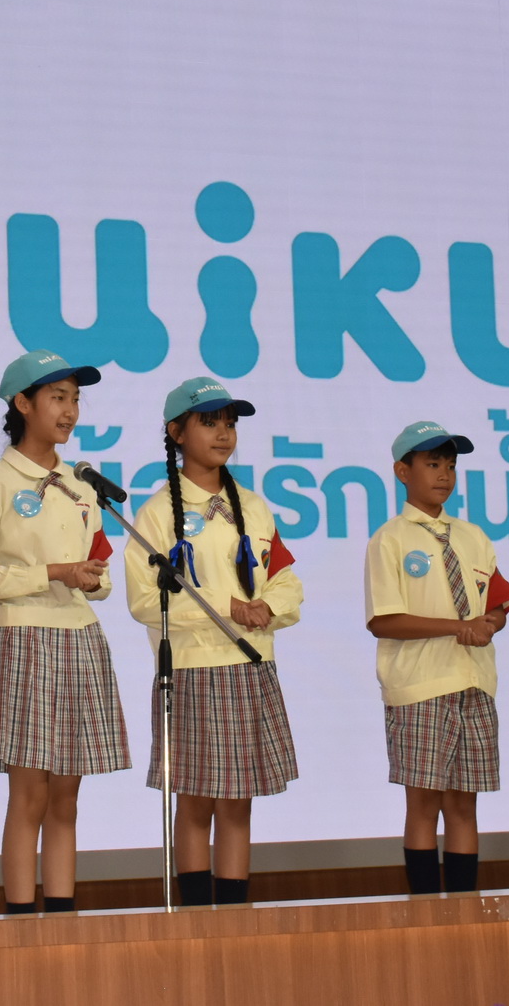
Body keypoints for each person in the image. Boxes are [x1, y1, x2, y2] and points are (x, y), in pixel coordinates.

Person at [0, 350, 130, 914]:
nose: (70, 410)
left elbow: (101, 571)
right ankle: (20, 921)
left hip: (80, 635)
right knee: (28, 794)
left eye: (75, 399)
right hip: (23, 637)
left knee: (66, 798)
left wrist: (91, 578)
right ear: (23, 404)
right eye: (58, 398)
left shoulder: (82, 485)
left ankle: (61, 917)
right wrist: (54, 572)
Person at [126, 377, 302, 906]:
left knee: (238, 802)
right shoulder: (158, 513)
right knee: (197, 800)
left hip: (251, 663)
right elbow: (145, 600)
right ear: (176, 432)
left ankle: (233, 916)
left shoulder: (254, 506)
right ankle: (197, 916)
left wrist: (268, 607)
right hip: (194, 668)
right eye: (209, 423)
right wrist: (228, 607)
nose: (224, 433)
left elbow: (285, 577)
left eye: (230, 423)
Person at [365, 421, 509, 895]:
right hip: (421, 688)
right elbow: (383, 620)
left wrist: (491, 622)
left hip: (474, 683)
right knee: (423, 804)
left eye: (450, 466)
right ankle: (426, 909)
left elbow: (498, 601)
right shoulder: (390, 539)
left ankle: (464, 908)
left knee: (464, 805)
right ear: (402, 472)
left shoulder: (473, 536)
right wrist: (457, 628)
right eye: (432, 464)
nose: (444, 475)